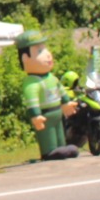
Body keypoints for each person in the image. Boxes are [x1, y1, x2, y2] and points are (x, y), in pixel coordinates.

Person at [15, 30, 78, 160]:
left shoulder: (51, 78)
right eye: (39, 51)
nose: (48, 55)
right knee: (48, 134)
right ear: (25, 59)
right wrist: (35, 115)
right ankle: (49, 151)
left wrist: (66, 102)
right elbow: (31, 100)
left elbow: (60, 90)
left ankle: (62, 147)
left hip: (57, 112)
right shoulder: (31, 82)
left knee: (60, 133)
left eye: (45, 49)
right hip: (45, 115)